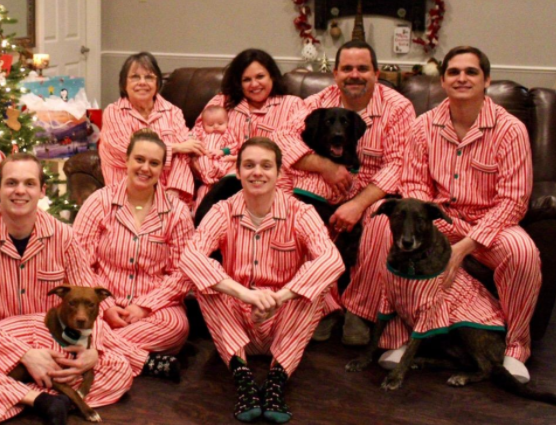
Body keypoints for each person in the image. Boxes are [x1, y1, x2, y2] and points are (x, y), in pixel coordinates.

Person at [0, 153, 135, 425]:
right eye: (11, 183)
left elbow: (89, 297)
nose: (20, 191)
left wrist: (93, 348)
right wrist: (23, 354)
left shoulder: (64, 236)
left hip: (52, 346)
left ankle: (3, 397)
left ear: (42, 190)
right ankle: (42, 400)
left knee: (119, 368)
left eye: (30, 183)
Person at [380, 46, 541, 383]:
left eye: (471, 72)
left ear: (487, 80)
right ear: (443, 80)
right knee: (381, 232)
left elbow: (513, 201)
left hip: (492, 223)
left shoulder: (510, 130)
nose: (462, 78)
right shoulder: (423, 126)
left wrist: (466, 245)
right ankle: (398, 337)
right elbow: (413, 185)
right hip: (438, 220)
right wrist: (430, 233)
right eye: (454, 72)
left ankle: (514, 350)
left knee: (523, 253)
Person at [181, 138, 344, 423]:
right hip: (236, 321)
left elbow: (332, 260)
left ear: (280, 173)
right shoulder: (223, 210)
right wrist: (246, 295)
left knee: (317, 289)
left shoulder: (300, 212)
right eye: (250, 165)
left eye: (266, 165)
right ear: (239, 172)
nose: (258, 172)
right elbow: (190, 256)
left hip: (284, 321)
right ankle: (242, 376)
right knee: (206, 285)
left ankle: (276, 381)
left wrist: (280, 297)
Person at [274, 40, 416, 344]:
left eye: (363, 68)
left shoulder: (399, 108)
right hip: (320, 186)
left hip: (374, 193)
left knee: (380, 226)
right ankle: (325, 310)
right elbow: (283, 137)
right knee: (295, 219)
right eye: (347, 68)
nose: (355, 74)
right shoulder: (318, 101)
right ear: (335, 73)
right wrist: (324, 166)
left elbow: (399, 164)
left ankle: (358, 311)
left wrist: (357, 205)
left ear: (376, 73)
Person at [74, 129, 194, 381]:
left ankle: (90, 352)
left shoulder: (177, 212)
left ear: (162, 168)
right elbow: (80, 264)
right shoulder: (99, 202)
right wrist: (105, 307)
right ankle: (145, 360)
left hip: (154, 308)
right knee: (78, 318)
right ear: (127, 160)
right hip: (99, 302)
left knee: (177, 327)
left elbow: (182, 274)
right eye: (139, 159)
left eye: (154, 163)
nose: (145, 168)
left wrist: (144, 306)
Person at [192, 48, 306, 222]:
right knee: (207, 215)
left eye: (260, 77)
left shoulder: (292, 105)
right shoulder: (222, 102)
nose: (254, 84)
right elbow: (196, 139)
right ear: (238, 82)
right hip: (216, 180)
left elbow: (298, 150)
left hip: (268, 183)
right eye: (246, 79)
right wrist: (205, 170)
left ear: (272, 77)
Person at [99, 52, 204, 204]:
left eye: (149, 77)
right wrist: (174, 148)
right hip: (126, 196)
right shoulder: (114, 112)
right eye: (135, 77)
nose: (142, 82)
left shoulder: (172, 112)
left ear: (158, 83)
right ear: (124, 84)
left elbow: (185, 155)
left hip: (172, 196)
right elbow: (124, 151)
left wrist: (172, 195)